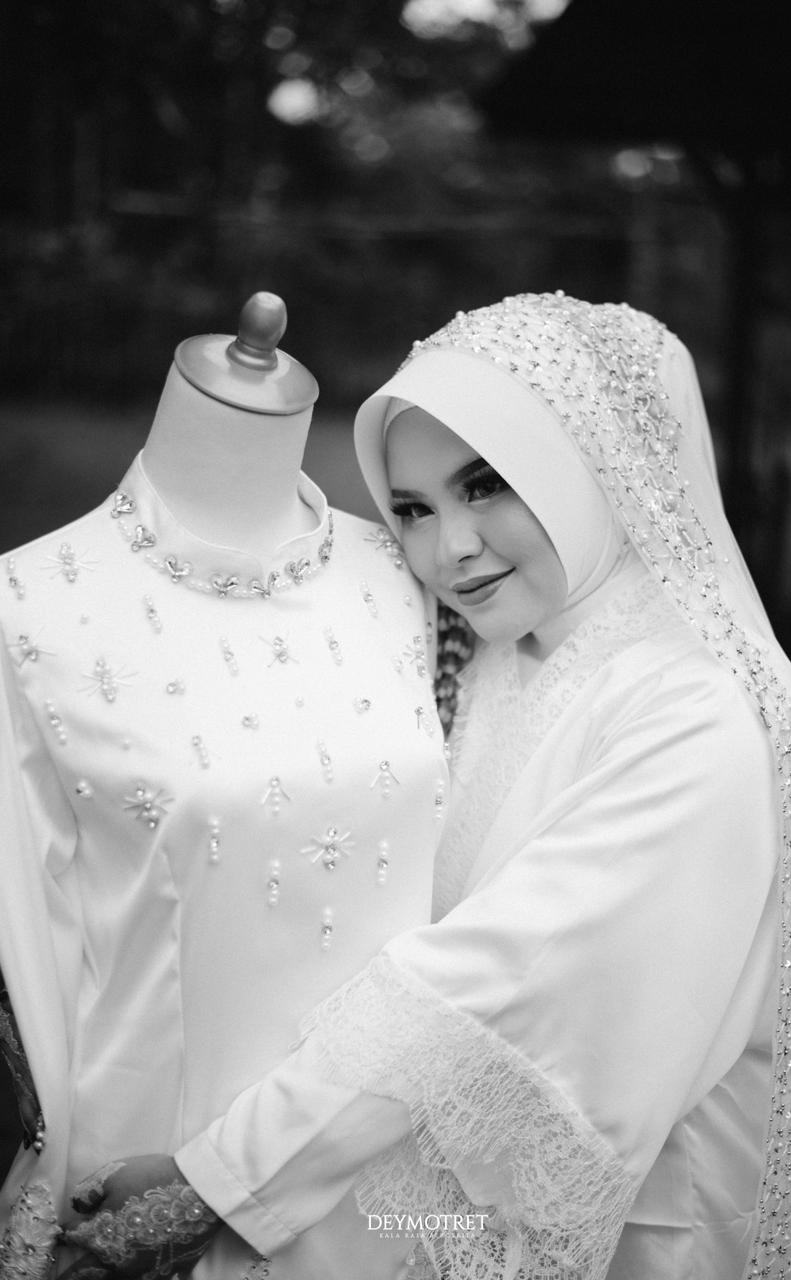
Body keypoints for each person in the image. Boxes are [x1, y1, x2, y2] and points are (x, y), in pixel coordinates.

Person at [54, 293, 791, 1279]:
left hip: (651, 1226)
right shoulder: (502, 654)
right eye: (415, 510)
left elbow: (497, 979)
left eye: (487, 486)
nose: (451, 549)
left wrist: (216, 1180)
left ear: (592, 468)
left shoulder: (696, 708)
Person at [0, 294, 447, 1280]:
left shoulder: (398, 571)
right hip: (151, 1167)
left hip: (385, 1176)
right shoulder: (27, 605)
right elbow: (33, 943)